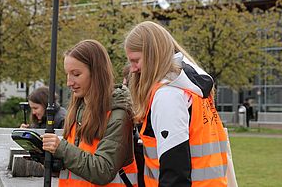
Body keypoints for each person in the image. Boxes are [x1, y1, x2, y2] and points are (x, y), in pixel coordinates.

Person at [124, 21, 228, 186]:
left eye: (136, 60)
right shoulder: (192, 89)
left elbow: (175, 173)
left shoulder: (168, 95)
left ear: (153, 55)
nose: (133, 69)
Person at [42, 39, 138, 186]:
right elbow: (76, 164)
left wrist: (61, 148)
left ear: (96, 73)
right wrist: (50, 159)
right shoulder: (77, 108)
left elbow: (103, 170)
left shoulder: (117, 115)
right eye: (68, 74)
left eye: (76, 74)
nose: (69, 82)